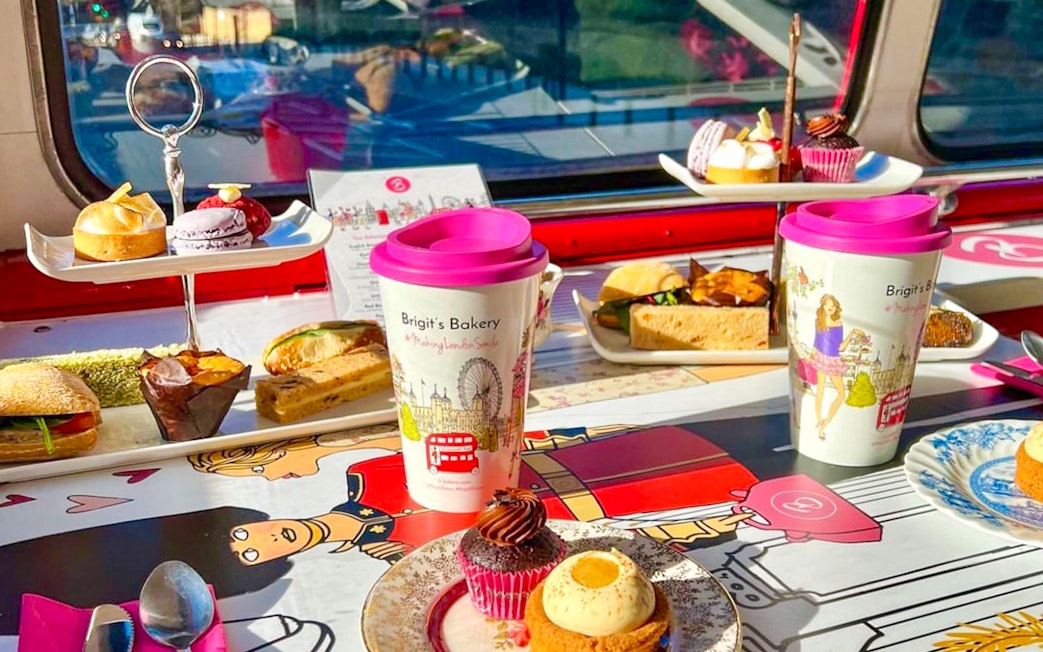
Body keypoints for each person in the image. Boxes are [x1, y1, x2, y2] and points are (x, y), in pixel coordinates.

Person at [808, 294, 863, 439]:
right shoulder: (819, 321)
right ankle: (819, 424)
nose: (830, 307)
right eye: (827, 304)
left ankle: (824, 424)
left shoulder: (839, 324)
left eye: (832, 305)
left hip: (833, 360)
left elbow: (841, 347)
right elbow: (816, 341)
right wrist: (811, 354)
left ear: (836, 307)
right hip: (821, 357)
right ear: (823, 306)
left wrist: (852, 333)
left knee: (841, 394)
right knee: (820, 392)